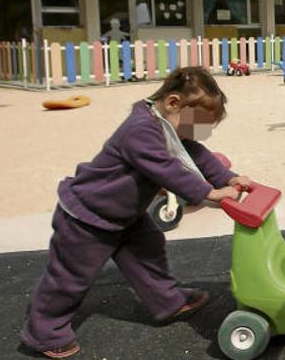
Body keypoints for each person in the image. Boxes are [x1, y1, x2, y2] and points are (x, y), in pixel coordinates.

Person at [20, 67, 252, 358]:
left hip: (124, 215)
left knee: (148, 253)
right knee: (70, 277)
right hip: (87, 216)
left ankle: (168, 301)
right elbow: (166, 169)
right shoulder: (140, 129)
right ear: (173, 103)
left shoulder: (169, 126)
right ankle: (44, 333)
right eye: (198, 124)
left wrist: (227, 178)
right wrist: (207, 193)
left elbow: (194, 152)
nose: (199, 134)